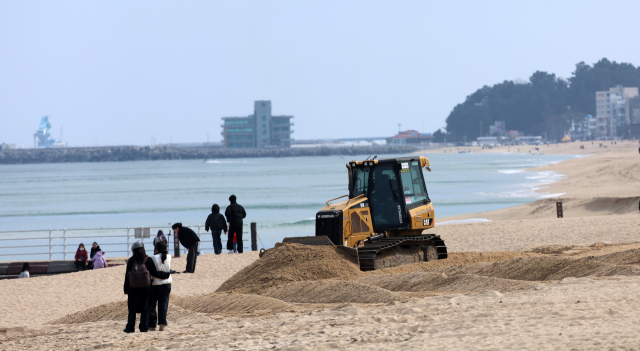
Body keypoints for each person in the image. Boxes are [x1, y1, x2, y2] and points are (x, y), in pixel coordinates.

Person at [123, 241, 171, 333]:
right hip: (146, 288)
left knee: (132, 310)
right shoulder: (147, 260)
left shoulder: (131, 261)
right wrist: (166, 275)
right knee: (145, 309)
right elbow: (155, 273)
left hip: (133, 289)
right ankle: (144, 327)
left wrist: (126, 288)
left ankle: (130, 328)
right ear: (143, 249)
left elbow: (127, 276)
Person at [148, 241, 172, 331]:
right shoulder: (169, 257)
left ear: (156, 248)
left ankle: (151, 325)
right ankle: (162, 323)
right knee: (163, 304)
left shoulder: (152, 258)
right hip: (167, 284)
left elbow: (151, 272)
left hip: (155, 284)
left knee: (152, 304)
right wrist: (166, 275)